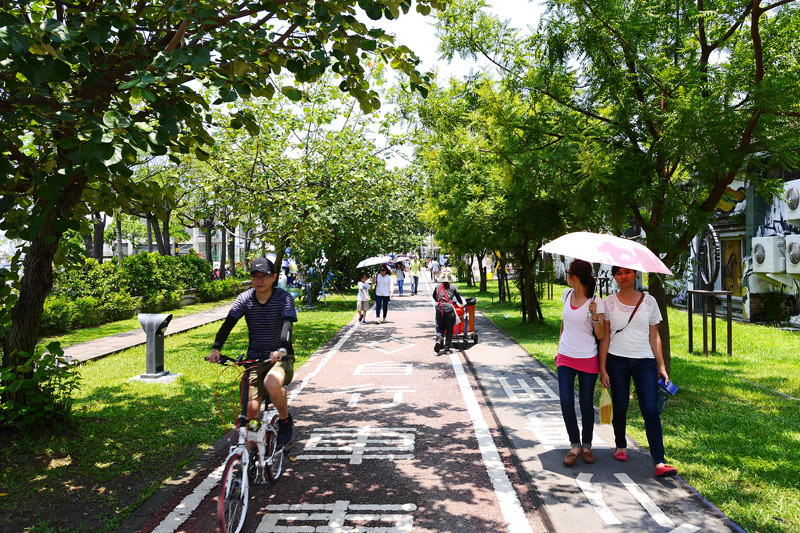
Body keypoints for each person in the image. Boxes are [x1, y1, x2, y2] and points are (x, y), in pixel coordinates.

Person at [206, 257, 297, 447]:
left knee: (271, 383)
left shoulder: (284, 298)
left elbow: (287, 325)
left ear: (273, 277)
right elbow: (229, 323)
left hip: (281, 359)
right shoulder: (245, 298)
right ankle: (245, 466)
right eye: (255, 276)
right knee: (250, 413)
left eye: (263, 276)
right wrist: (216, 348)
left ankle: (285, 419)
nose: (259, 280)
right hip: (254, 360)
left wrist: (281, 348)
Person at [599, 266, 677, 478]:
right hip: (617, 360)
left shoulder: (649, 301)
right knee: (621, 405)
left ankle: (659, 461)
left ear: (635, 274)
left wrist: (661, 366)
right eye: (618, 273)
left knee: (650, 408)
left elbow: (655, 336)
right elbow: (605, 337)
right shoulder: (608, 303)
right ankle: (621, 445)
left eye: (627, 272)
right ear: (614, 276)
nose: (623, 277)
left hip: (645, 361)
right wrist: (602, 368)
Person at [556, 260, 605, 467]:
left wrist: (595, 315)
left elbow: (601, 334)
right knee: (566, 401)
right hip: (566, 356)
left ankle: (586, 446)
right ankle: (574, 445)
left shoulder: (596, 301)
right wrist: (559, 349)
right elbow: (563, 324)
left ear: (574, 276)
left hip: (587, 358)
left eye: (569, 273)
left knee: (586, 404)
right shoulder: (566, 295)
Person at [431, 269, 464, 354]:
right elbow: (459, 299)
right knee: (449, 329)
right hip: (449, 310)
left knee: (440, 327)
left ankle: (439, 340)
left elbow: (434, 296)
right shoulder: (453, 287)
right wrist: (461, 303)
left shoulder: (437, 286)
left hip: (439, 309)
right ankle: (446, 349)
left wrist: (440, 300)